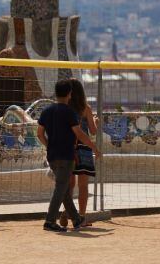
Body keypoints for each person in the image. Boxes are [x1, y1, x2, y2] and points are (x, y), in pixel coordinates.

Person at [37, 79, 100, 232]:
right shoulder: (70, 112)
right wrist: (94, 149)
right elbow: (80, 133)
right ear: (69, 94)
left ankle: (77, 219)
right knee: (62, 188)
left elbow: (39, 134)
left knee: (65, 188)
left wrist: (48, 145)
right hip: (67, 154)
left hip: (52, 155)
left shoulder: (47, 110)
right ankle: (50, 220)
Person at [58, 78, 99, 229]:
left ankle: (66, 211)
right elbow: (93, 131)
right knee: (83, 185)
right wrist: (96, 121)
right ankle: (81, 217)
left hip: (68, 147)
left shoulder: (64, 108)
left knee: (69, 184)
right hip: (84, 148)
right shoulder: (85, 108)